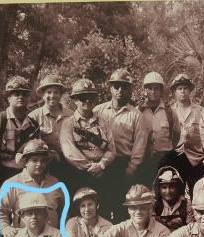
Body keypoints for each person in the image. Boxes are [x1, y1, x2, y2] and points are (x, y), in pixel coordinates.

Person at [93, 69, 148, 222]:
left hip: (123, 165)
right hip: (102, 164)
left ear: (130, 89)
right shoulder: (98, 111)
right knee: (102, 204)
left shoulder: (136, 115)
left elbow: (140, 143)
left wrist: (132, 168)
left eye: (124, 87)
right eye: (116, 86)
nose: (120, 90)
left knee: (122, 207)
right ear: (110, 88)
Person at [60, 78, 116, 219]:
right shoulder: (69, 124)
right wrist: (91, 167)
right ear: (75, 100)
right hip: (78, 174)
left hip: (102, 173)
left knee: (103, 210)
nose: (87, 101)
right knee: (77, 213)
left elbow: (111, 148)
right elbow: (69, 151)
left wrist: (102, 164)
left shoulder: (103, 122)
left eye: (90, 97)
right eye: (83, 97)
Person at [0, 76, 41, 204]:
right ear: (8, 97)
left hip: (28, 177)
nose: (21, 97)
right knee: (1, 216)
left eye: (24, 94)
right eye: (16, 94)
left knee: (28, 214)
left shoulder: (33, 126)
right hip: (4, 175)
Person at [0, 139, 64, 237]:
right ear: (25, 162)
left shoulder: (54, 182)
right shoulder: (12, 184)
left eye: (43, 161)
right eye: (34, 160)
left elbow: (63, 210)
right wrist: (6, 229)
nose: (39, 164)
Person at [28, 74, 74, 184]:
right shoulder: (34, 117)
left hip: (70, 163)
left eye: (56, 92)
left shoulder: (71, 115)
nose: (52, 96)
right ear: (42, 95)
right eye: (48, 92)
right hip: (45, 164)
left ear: (61, 94)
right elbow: (30, 145)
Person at [138, 72, 181, 188]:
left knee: (167, 190)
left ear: (161, 90)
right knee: (147, 190)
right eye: (150, 88)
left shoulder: (169, 112)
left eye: (156, 88)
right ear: (145, 90)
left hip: (165, 158)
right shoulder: (139, 111)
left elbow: (176, 134)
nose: (153, 92)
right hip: (146, 159)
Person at [169, 73, 204, 199]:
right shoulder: (169, 111)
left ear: (190, 90)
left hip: (196, 159)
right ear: (174, 91)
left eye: (185, 88)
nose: (183, 91)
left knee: (197, 193)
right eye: (179, 88)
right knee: (176, 194)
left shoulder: (200, 110)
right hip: (176, 158)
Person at [152, 166, 193, 232]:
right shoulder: (155, 206)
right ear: (159, 189)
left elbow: (191, 230)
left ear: (178, 188)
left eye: (171, 187)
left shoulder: (186, 205)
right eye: (164, 187)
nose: (168, 191)